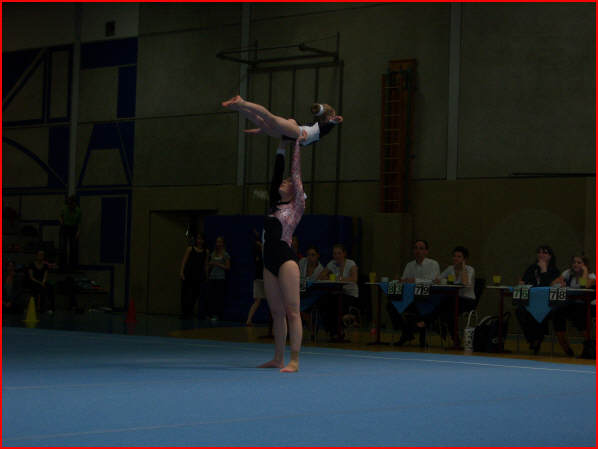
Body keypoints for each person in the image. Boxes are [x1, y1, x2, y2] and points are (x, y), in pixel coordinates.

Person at [259, 136, 306, 373]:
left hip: (286, 259)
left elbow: (295, 174)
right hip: (269, 261)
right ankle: (278, 358)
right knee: (277, 312)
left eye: (288, 182)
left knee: (292, 311)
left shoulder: (296, 207)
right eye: (283, 181)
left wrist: (297, 145)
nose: (284, 182)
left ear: (295, 191)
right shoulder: (274, 205)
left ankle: (294, 360)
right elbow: (276, 173)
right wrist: (281, 147)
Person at [222, 95, 343, 146]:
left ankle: (237, 107)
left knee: (262, 123)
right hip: (297, 132)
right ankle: (241, 102)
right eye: (330, 116)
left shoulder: (320, 125)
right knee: (270, 118)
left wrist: (260, 131)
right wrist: (335, 120)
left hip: (291, 134)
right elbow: (335, 121)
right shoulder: (326, 126)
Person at [387, 240, 440, 347]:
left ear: (426, 251)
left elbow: (434, 281)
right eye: (415, 248)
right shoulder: (409, 265)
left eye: (421, 248)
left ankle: (408, 333)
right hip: (411, 297)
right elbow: (404, 280)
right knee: (391, 305)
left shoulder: (433, 264)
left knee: (421, 307)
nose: (418, 251)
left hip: (427, 298)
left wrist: (415, 280)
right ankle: (406, 332)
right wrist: (400, 280)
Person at [515, 245, 561, 355]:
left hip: (548, 303)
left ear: (550, 256)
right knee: (520, 310)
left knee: (540, 311)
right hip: (531, 301)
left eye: (544, 252)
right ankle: (532, 339)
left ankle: (537, 340)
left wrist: (544, 270)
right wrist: (521, 283)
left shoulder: (554, 270)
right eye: (539, 252)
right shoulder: (532, 268)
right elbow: (523, 282)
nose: (541, 255)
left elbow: (549, 286)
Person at [551, 254, 596, 357]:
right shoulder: (567, 273)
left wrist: (584, 271)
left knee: (578, 315)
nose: (575, 264)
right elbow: (552, 284)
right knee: (557, 312)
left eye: (579, 263)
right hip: (570, 303)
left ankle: (590, 347)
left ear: (585, 265)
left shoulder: (591, 276)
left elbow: (583, 286)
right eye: (574, 262)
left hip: (586, 305)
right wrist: (559, 284)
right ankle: (566, 348)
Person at [434, 246, 476, 346]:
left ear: (464, 259)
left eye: (459, 257)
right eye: (454, 256)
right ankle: (454, 338)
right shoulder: (450, 269)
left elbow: (465, 283)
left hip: (467, 300)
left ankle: (430, 321)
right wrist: (442, 280)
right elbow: (437, 280)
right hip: (453, 300)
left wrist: (463, 267)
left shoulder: (470, 269)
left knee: (446, 308)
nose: (455, 258)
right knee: (445, 307)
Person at [318, 244, 360, 337]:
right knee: (324, 301)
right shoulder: (332, 264)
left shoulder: (351, 263)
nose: (336, 256)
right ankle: (332, 330)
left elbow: (354, 279)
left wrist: (339, 279)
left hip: (350, 294)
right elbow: (320, 276)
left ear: (344, 254)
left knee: (336, 302)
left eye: (339, 253)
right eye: (334, 253)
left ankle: (339, 330)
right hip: (336, 293)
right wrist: (329, 278)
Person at [179, 233, 209, 319]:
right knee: (185, 294)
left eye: (201, 239)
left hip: (198, 276)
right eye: (198, 239)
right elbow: (184, 261)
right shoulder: (190, 249)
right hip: (188, 274)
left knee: (195, 295)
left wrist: (206, 276)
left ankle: (189, 312)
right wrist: (181, 272)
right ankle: (184, 312)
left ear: (204, 241)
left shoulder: (206, 252)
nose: (199, 241)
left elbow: (205, 265)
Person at [206, 236, 231, 321]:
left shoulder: (225, 254)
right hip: (212, 277)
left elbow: (228, 267)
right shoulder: (213, 253)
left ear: (223, 243)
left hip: (220, 278)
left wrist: (217, 264)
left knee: (218, 297)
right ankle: (210, 314)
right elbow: (209, 264)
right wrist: (209, 265)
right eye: (217, 242)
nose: (218, 244)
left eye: (220, 242)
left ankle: (217, 315)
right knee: (211, 296)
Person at [246, 229, 265, 326]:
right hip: (261, 277)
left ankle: (249, 319)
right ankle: (249, 320)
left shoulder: (262, 247)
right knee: (258, 300)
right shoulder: (258, 249)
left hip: (264, 277)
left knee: (270, 301)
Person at [28, 249, 55, 314]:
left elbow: (45, 276)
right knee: (40, 288)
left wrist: (43, 282)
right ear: (36, 255)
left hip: (42, 282)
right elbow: (31, 277)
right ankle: (40, 307)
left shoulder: (45, 265)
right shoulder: (32, 264)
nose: (41, 256)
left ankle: (51, 307)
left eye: (42, 255)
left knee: (50, 287)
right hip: (34, 281)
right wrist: (40, 283)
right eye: (40, 254)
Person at [59, 195, 81, 270]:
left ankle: (72, 265)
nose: (71, 206)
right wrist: (61, 222)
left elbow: (79, 222)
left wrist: (78, 231)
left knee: (73, 247)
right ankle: (63, 265)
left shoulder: (78, 210)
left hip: (73, 228)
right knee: (63, 247)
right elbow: (60, 216)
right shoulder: (64, 208)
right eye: (69, 204)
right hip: (65, 227)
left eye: (72, 204)